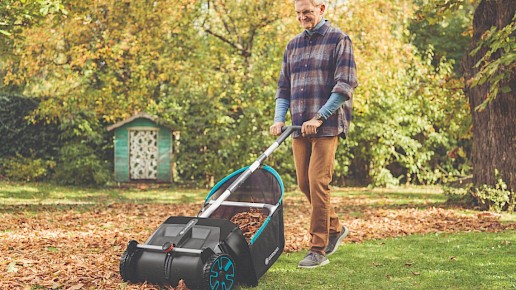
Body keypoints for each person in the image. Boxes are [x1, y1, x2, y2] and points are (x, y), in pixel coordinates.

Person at [269, 0, 358, 268]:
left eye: (307, 12)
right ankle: (335, 227)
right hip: (298, 125)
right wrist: (277, 119)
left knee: (318, 182)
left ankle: (317, 249)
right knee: (304, 184)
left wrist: (319, 117)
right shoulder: (293, 46)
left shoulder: (339, 40)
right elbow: (283, 88)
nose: (302, 17)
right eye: (298, 13)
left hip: (326, 125)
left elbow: (344, 87)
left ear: (322, 9)